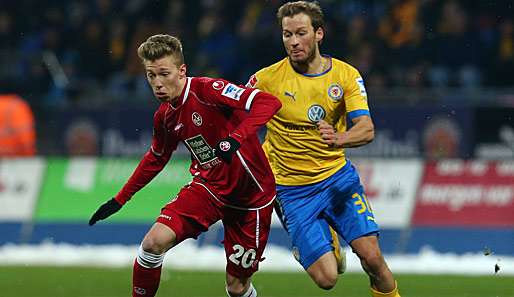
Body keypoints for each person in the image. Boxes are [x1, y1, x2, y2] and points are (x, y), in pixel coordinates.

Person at [89, 34, 281, 297]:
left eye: (163, 73)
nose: (157, 83)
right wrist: (120, 199)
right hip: (208, 188)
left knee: (236, 288)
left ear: (181, 71)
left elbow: (269, 102)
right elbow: (156, 158)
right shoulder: (165, 116)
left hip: (252, 198)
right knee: (152, 243)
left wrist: (234, 140)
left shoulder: (208, 90)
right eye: (150, 75)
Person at [246, 1, 401, 296]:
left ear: (319, 34)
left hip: (337, 180)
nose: (293, 42)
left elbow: (366, 129)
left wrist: (339, 138)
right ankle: (324, 234)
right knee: (328, 279)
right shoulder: (265, 79)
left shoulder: (345, 76)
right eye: (287, 34)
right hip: (291, 191)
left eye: (300, 33)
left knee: (373, 259)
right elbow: (236, 118)